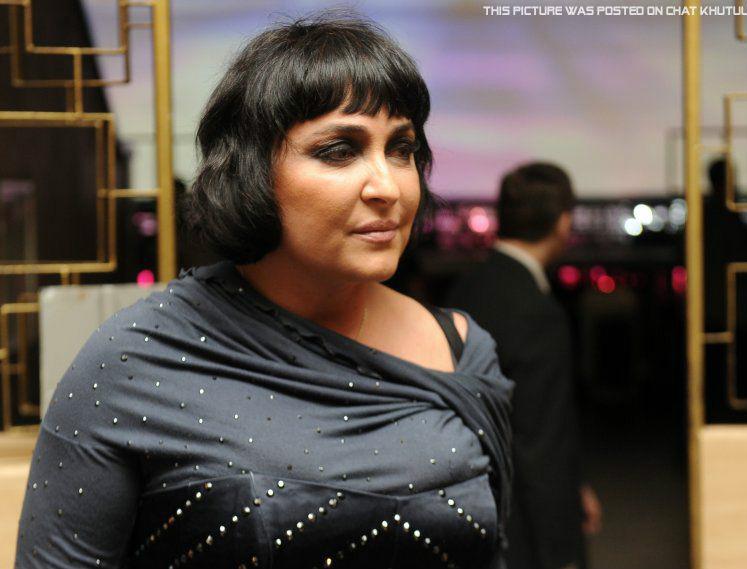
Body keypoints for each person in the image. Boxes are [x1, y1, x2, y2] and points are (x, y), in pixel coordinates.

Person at [15, 14, 513, 569]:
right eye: (339, 150)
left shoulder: (460, 351)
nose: (388, 186)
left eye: (401, 149)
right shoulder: (133, 362)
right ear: (251, 170)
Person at [446, 163, 600, 569]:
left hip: (466, 501)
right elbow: (541, 440)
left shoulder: (467, 287)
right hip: (522, 528)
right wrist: (560, 549)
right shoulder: (537, 312)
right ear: (563, 222)